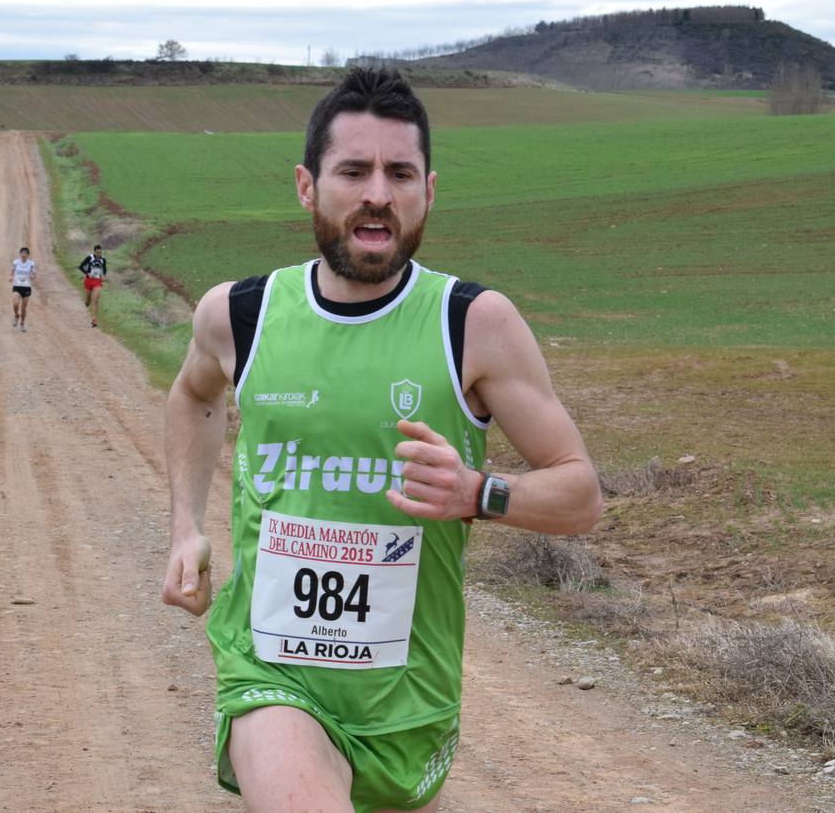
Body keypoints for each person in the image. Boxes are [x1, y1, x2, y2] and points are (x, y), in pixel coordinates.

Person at [161, 68, 603, 812]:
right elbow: (194, 397)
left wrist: (477, 493)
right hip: (270, 668)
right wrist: (184, 528)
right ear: (307, 186)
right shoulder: (240, 314)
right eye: (354, 171)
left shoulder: (474, 324)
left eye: (400, 173)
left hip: (409, 698)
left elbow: (580, 494)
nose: (378, 192)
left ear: (429, 190)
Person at [78, 244, 108, 328]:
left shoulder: (103, 260)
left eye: (100, 253)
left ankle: (94, 320)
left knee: (95, 300)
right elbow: (81, 267)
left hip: (97, 281)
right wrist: (87, 273)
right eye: (97, 253)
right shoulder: (90, 258)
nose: (99, 254)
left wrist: (104, 276)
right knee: (88, 301)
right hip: (88, 280)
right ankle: (87, 302)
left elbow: (104, 269)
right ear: (94, 252)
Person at [11, 246, 35, 331]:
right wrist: (11, 276)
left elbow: (33, 273)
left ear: (28, 255)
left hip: (26, 286)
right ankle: (16, 315)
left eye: (25, 253)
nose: (23, 255)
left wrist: (32, 276)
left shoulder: (31, 263)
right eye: (22, 253)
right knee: (15, 303)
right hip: (17, 285)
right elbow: (12, 271)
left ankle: (22, 324)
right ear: (20, 254)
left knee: (24, 308)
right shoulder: (16, 262)